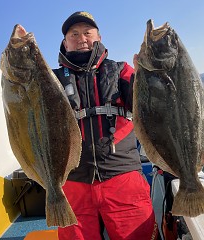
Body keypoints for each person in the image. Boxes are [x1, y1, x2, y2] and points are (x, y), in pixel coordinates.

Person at [53, 11, 159, 240]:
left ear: (98, 38)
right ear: (65, 42)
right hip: (73, 181)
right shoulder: (52, 80)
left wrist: (147, 79)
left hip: (123, 176)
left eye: (87, 33)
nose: (82, 38)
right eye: (74, 34)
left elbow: (148, 108)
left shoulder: (120, 70)